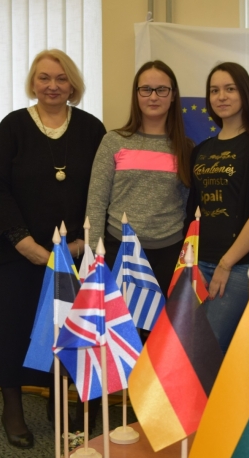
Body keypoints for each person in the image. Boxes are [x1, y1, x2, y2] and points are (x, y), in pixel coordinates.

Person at [0, 49, 106, 448]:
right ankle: (12, 410)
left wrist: (83, 241)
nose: (53, 86)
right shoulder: (13, 126)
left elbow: (101, 188)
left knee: (63, 329)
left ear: (73, 84)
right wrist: (25, 243)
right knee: (14, 330)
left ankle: (59, 399)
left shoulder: (91, 129)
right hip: (16, 251)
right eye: (44, 78)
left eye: (61, 78)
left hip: (73, 253)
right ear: (33, 83)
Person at [187, 62, 249, 353]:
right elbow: (192, 212)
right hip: (198, 264)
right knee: (192, 350)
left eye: (230, 89)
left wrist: (225, 264)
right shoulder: (201, 150)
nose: (221, 96)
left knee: (206, 350)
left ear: (244, 94)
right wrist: (190, 263)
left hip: (239, 266)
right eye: (214, 91)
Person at [86, 60, 193, 293]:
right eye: (146, 89)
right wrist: (94, 253)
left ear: (173, 95)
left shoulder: (186, 148)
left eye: (161, 89)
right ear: (136, 94)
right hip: (119, 250)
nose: (153, 97)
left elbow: (187, 206)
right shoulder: (113, 141)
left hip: (169, 254)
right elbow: (96, 202)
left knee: (163, 318)